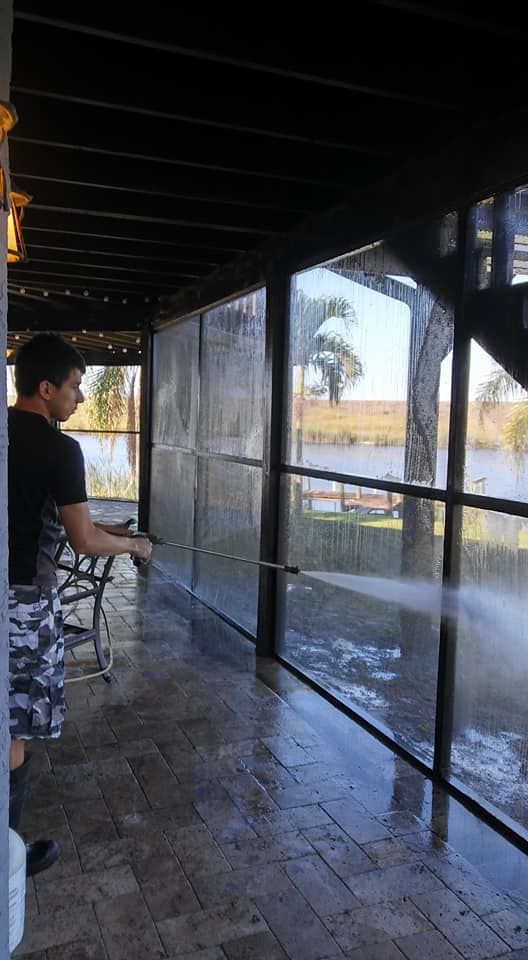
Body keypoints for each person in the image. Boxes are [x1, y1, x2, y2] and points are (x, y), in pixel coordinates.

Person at [7, 333, 152, 876]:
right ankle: (8, 858)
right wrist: (134, 545)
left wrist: (112, 528)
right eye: (74, 386)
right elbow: (85, 542)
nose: (81, 398)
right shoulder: (58, 447)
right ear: (45, 389)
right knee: (13, 729)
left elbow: (61, 522)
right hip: (22, 607)